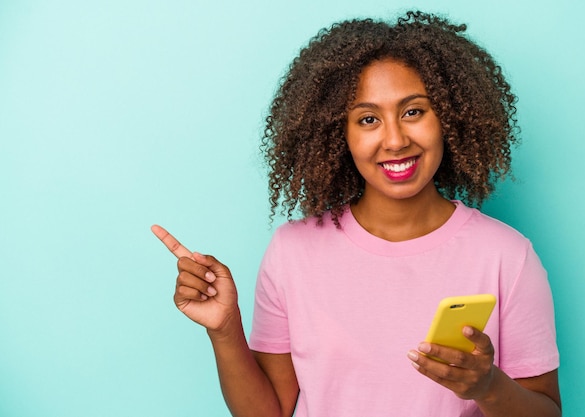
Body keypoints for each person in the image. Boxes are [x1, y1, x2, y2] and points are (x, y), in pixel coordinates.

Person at [152, 10, 561, 417]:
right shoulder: (293, 251)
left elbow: (547, 411)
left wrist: (488, 387)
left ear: (449, 118)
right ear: (338, 134)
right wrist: (224, 331)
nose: (395, 139)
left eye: (414, 111)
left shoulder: (507, 256)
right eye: (368, 119)